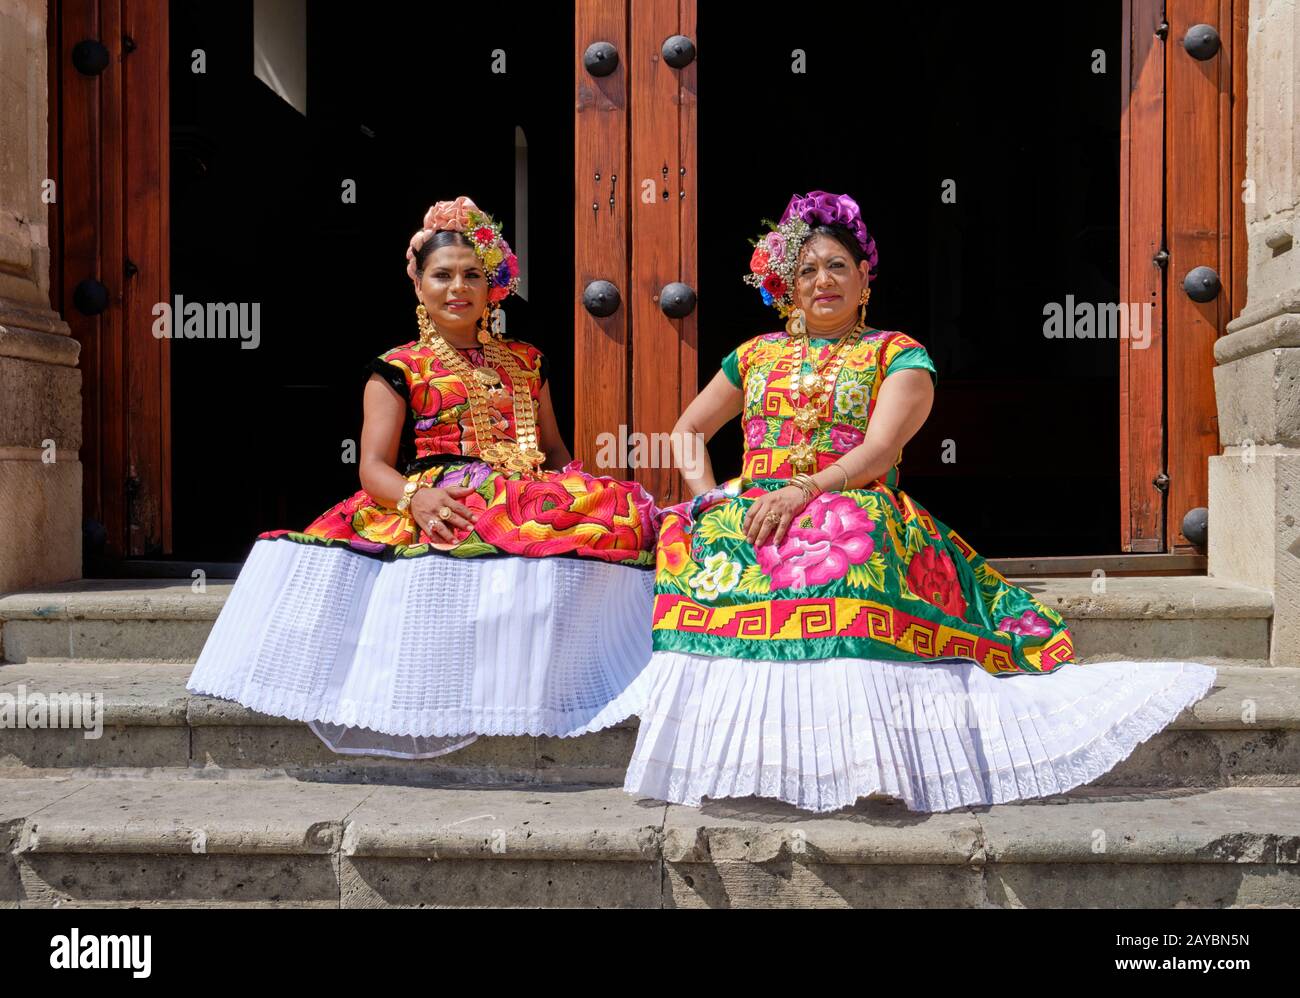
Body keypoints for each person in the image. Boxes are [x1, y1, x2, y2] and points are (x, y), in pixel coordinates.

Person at [621, 190, 1217, 813]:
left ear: (864, 278)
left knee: (847, 556)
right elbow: (687, 431)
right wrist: (713, 499)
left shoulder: (898, 355)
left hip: (847, 496)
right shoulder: (753, 356)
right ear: (787, 286)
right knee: (696, 546)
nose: (822, 281)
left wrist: (808, 489)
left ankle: (850, 758)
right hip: (756, 504)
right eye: (807, 270)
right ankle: (734, 755)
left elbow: (878, 451)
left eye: (837, 267)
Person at [187, 196, 658, 758]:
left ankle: (571, 686)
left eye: (471, 275)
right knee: (479, 526)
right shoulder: (398, 367)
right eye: (442, 275)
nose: (457, 287)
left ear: (493, 287)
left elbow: (554, 450)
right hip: (447, 491)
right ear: (418, 283)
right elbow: (372, 468)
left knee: (623, 520)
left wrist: (577, 499)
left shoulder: (528, 361)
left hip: (531, 490)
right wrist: (418, 498)